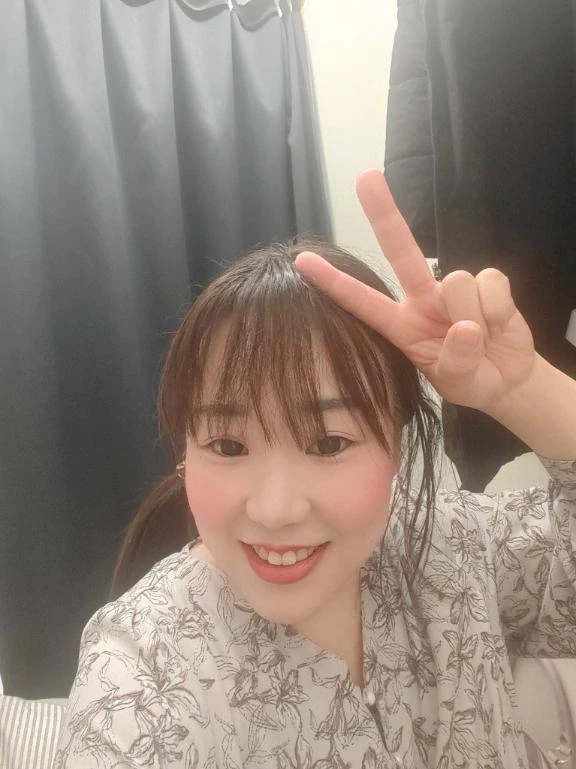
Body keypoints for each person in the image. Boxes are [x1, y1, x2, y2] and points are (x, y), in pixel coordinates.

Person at [55, 170, 576, 769]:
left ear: (396, 446)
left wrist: (524, 389)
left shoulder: (454, 546)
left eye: (329, 443)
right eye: (228, 445)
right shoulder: (141, 681)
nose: (276, 510)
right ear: (184, 455)